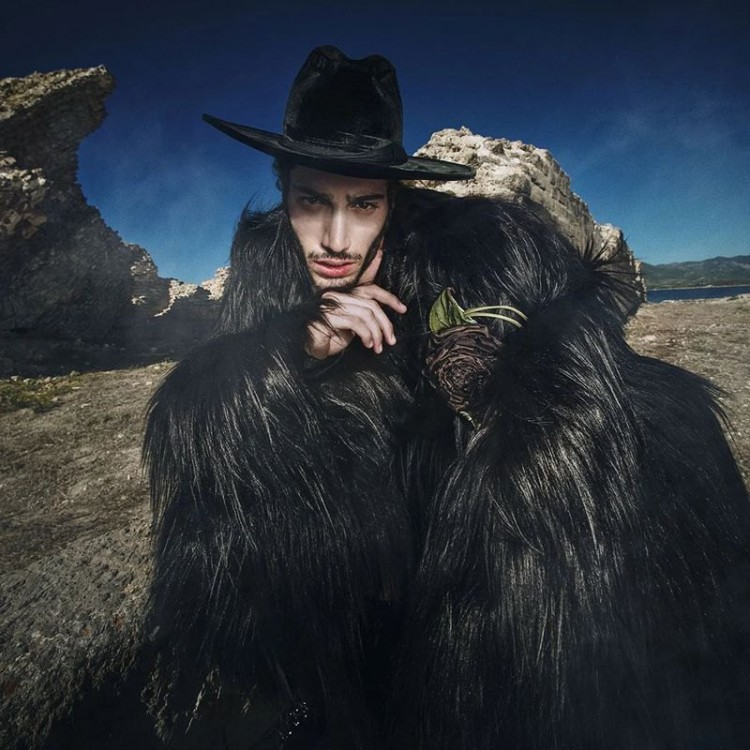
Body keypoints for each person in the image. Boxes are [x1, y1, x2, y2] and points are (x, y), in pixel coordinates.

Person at [144, 46, 750, 750]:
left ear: (393, 200)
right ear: (285, 193)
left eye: (363, 204)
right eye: (312, 202)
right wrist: (294, 345)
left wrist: (495, 390)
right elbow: (212, 429)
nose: (335, 240)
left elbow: (586, 358)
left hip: (469, 553)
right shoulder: (268, 266)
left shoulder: (483, 246)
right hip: (359, 574)